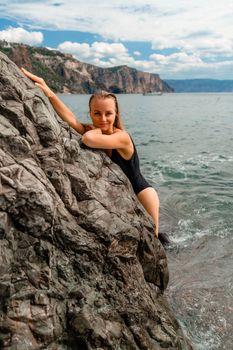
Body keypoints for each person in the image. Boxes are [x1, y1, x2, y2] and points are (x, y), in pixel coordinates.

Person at [21, 68, 160, 240]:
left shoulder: (122, 137)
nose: (102, 119)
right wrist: (48, 91)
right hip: (122, 197)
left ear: (116, 114)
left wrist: (92, 130)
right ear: (90, 113)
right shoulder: (96, 131)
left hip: (143, 194)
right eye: (97, 113)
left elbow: (87, 139)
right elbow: (70, 119)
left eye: (108, 113)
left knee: (154, 241)